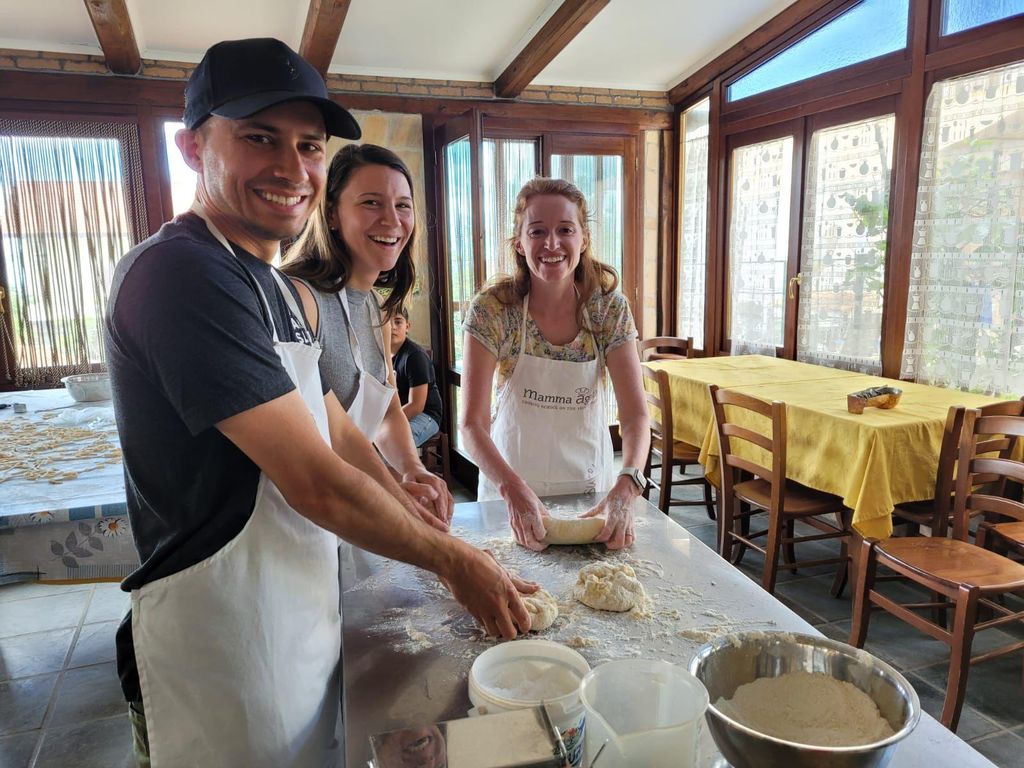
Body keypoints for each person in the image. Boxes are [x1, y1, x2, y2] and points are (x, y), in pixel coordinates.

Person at [105, 38, 533, 768]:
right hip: (221, 638)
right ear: (191, 147)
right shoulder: (181, 273)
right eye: (258, 138)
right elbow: (311, 478)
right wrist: (454, 561)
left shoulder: (266, 284)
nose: (290, 167)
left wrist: (401, 484)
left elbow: (334, 430)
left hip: (289, 616)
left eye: (308, 145)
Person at [460, 177, 650, 552]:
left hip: (590, 496)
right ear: (519, 242)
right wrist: (511, 490)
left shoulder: (607, 308)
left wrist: (628, 484)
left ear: (584, 239)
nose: (551, 244)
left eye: (565, 230)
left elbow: (635, 417)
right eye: (537, 231)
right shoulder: (493, 310)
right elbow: (471, 424)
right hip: (509, 496)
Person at [282, 144, 451, 519]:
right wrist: (396, 494)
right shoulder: (298, 299)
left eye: (403, 205)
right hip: (299, 515)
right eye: (371, 203)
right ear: (331, 215)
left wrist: (413, 468)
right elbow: (330, 436)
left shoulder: (374, 306)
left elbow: (388, 412)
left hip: (354, 513)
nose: (392, 220)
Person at [389, 306, 443, 447]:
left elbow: (416, 405)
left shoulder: (415, 356)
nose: (392, 327)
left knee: (396, 444)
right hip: (399, 414)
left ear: (407, 326)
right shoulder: (380, 355)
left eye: (398, 322)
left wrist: (388, 422)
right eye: (386, 322)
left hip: (426, 415)